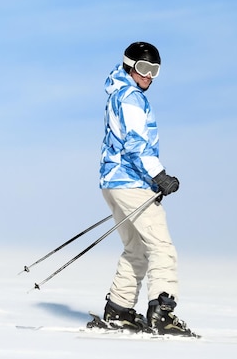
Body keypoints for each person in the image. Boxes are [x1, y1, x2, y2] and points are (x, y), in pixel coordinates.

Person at [98, 41, 195, 336]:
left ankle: (119, 309)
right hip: (131, 181)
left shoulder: (118, 93)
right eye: (143, 68)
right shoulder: (130, 98)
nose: (148, 75)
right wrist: (159, 175)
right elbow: (136, 144)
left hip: (114, 182)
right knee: (161, 247)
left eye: (154, 70)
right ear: (129, 66)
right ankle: (162, 315)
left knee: (136, 249)